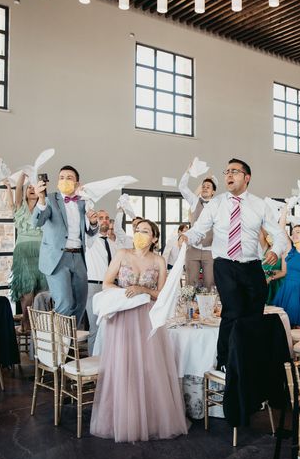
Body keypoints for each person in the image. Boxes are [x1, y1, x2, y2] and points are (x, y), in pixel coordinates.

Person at [181, 158, 288, 370]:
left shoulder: (259, 205)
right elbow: (199, 230)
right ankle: (226, 362)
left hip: (252, 266)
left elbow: (279, 235)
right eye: (226, 171)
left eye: (235, 172)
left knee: (255, 312)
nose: (229, 175)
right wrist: (186, 237)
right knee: (233, 311)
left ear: (246, 178)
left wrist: (275, 250)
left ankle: (251, 358)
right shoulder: (216, 204)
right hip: (225, 265)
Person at [90, 219, 187, 441]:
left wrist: (142, 289)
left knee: (148, 366)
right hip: (122, 316)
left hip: (147, 317)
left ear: (154, 238)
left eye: (145, 231)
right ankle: (123, 418)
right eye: (137, 231)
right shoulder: (122, 254)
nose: (139, 234)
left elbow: (162, 294)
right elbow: (106, 283)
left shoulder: (159, 261)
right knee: (123, 365)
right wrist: (124, 294)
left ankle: (150, 418)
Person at [32, 165, 98, 325]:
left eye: (69, 178)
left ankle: (67, 346)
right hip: (57, 258)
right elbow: (37, 221)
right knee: (65, 304)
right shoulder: (50, 199)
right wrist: (40, 199)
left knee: (79, 306)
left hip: (78, 258)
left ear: (77, 183)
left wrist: (94, 222)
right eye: (61, 177)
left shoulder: (84, 203)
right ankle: (53, 347)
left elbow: (90, 232)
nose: (64, 180)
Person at [5, 173, 47, 332]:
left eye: (33, 187)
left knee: (41, 291)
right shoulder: (20, 206)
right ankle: (26, 320)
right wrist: (23, 174)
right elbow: (18, 189)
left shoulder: (44, 207)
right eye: (28, 187)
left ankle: (39, 327)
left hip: (42, 251)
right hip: (23, 251)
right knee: (27, 291)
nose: (31, 189)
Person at [271, 224, 300, 327]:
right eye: (292, 233)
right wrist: (285, 208)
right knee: (283, 325)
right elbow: (281, 229)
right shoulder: (290, 251)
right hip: (287, 290)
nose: (294, 234)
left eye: (298, 232)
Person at [179, 163, 217, 288]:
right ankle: (190, 307)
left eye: (208, 187)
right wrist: (188, 172)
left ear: (213, 192)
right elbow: (182, 187)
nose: (205, 188)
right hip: (193, 249)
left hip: (210, 251)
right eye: (203, 186)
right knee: (191, 284)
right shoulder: (195, 202)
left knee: (210, 284)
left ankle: (209, 307)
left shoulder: (218, 206)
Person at [85, 210, 116, 354]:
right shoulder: (89, 240)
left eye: (107, 218)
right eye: (101, 218)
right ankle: (94, 365)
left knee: (111, 327)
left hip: (111, 288)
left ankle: (109, 362)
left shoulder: (113, 244)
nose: (104, 220)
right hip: (93, 286)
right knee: (95, 328)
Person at [261, 227, 283, 303]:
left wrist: (270, 278)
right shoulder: (265, 248)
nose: (270, 238)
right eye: (269, 236)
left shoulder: (282, 251)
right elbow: (261, 231)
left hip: (275, 281)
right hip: (262, 280)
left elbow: (283, 271)